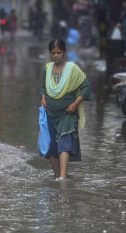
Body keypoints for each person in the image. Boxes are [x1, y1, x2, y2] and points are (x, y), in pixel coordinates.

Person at [40, 39, 91, 180]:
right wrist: (43, 98)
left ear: (64, 53)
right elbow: (43, 88)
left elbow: (86, 88)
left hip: (67, 113)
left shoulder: (73, 69)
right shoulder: (47, 69)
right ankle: (57, 176)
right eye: (53, 53)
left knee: (64, 144)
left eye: (59, 52)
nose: (56, 55)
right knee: (52, 147)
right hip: (51, 114)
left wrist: (75, 104)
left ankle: (62, 179)